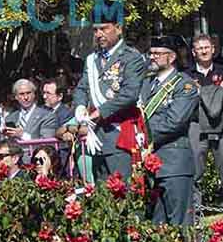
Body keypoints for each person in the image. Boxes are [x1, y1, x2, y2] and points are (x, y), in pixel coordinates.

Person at [71, 19, 147, 179]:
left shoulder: (131, 57)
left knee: (121, 192)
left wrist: (99, 112)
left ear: (118, 29)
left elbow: (129, 94)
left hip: (119, 135)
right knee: (101, 195)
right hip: (96, 136)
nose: (99, 34)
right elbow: (82, 88)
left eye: (104, 29)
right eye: (95, 30)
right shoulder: (92, 59)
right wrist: (79, 107)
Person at [186, 33, 223, 230]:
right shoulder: (187, 75)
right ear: (193, 52)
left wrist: (204, 91)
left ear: (213, 49)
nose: (204, 51)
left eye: (207, 47)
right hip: (196, 126)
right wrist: (217, 90)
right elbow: (187, 97)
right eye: (199, 48)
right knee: (195, 174)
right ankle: (195, 215)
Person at [141, 37, 200, 229]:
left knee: (180, 224)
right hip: (148, 166)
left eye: (157, 54)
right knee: (156, 226)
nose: (152, 57)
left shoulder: (185, 85)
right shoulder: (145, 84)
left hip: (174, 163)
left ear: (172, 57)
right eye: (151, 53)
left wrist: (141, 133)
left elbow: (173, 121)